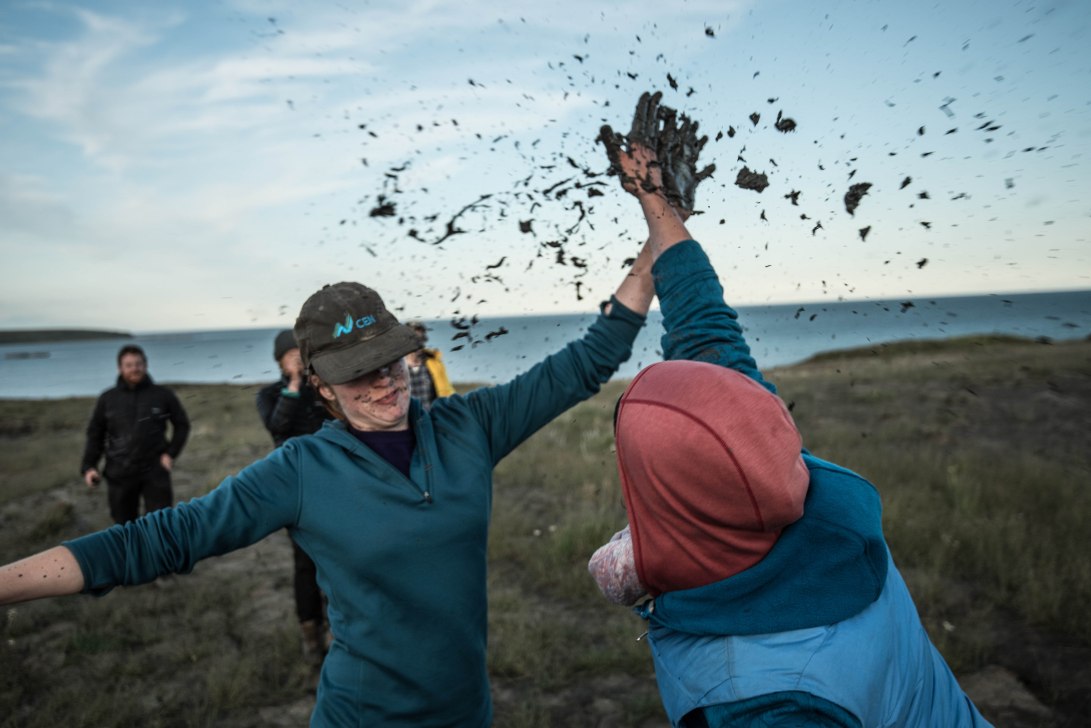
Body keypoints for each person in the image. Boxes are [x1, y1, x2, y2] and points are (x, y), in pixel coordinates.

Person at [0, 228, 658, 725]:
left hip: (467, 708)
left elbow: (588, 359)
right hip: (361, 714)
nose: (383, 381)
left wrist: (658, 232)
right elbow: (159, 540)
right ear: (319, 385)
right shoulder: (301, 470)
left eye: (390, 359)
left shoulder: (469, 427)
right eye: (356, 371)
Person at [588, 94, 991, 727]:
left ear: (653, 494)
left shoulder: (773, 704)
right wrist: (658, 204)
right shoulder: (781, 480)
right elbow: (706, 329)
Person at [256, 329, 333, 666]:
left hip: (331, 483)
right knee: (304, 564)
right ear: (279, 360)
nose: (298, 359)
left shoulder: (323, 388)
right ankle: (310, 636)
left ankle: (336, 628)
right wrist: (293, 386)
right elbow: (277, 427)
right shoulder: (269, 394)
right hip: (294, 489)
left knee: (335, 557)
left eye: (302, 353)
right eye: (291, 355)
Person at [80, 344, 191, 524]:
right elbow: (95, 434)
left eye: (138, 364)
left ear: (145, 365)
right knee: (125, 529)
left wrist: (171, 454)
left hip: (155, 470)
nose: (134, 369)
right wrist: (89, 466)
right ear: (120, 368)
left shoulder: (163, 395)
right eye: (129, 365)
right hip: (119, 473)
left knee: (161, 524)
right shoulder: (107, 398)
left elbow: (182, 425)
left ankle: (160, 553)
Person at [404, 321, 455, 410]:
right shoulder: (396, 367)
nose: (419, 343)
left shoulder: (434, 363)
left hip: (431, 418)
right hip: (406, 420)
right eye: (414, 339)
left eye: (421, 338)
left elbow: (447, 392)